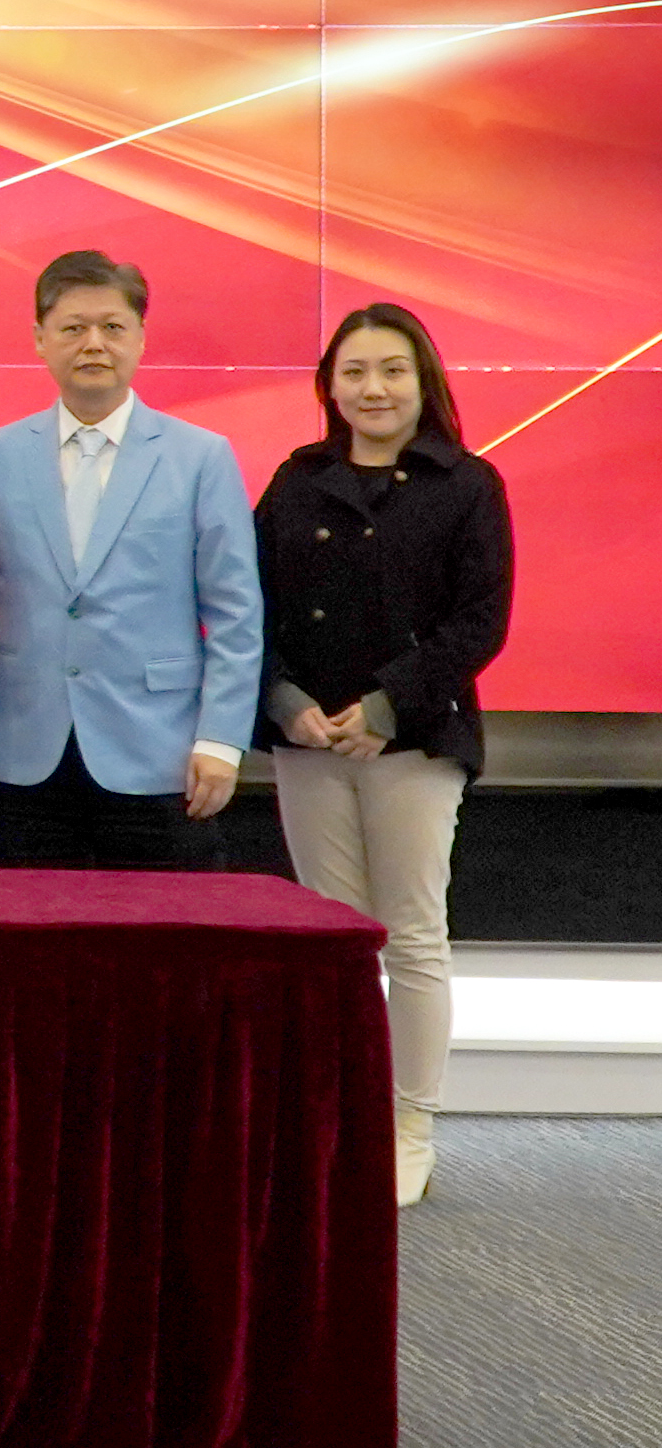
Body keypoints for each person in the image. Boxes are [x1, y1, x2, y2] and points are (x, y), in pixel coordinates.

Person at [253, 303, 512, 1207]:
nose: (373, 388)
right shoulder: (296, 480)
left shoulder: (467, 484)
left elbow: (478, 623)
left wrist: (383, 705)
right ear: (329, 386)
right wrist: (285, 703)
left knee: (410, 937)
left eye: (392, 370)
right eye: (354, 371)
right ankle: (339, 1117)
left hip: (413, 743)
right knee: (333, 942)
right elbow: (249, 608)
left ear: (422, 381)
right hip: (308, 743)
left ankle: (408, 1126)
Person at [0, 250, 263, 870]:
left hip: (161, 751)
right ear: (40, 340)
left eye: (112, 327)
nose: (93, 344)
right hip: (18, 749)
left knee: (161, 927)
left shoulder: (199, 457)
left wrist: (221, 739)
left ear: (140, 338)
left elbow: (235, 611)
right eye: (73, 328)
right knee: (28, 923)